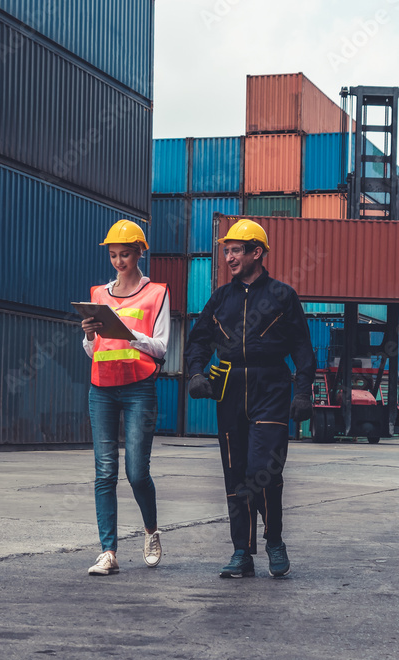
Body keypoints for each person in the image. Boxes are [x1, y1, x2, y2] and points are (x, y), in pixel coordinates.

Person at [184, 219, 315, 578]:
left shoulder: (282, 296)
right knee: (236, 474)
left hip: (271, 387)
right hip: (229, 389)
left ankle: (274, 541)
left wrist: (303, 392)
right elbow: (198, 341)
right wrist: (197, 372)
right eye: (226, 250)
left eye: (236, 250)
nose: (229, 257)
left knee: (263, 469)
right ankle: (241, 551)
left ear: (257, 252)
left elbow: (302, 347)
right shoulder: (220, 299)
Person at [81, 220, 170, 576]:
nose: (119, 262)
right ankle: (108, 552)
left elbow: (162, 348)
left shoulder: (157, 293)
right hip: (101, 387)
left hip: (139, 388)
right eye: (114, 255)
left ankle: (150, 531)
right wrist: (88, 336)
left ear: (139, 253)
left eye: (126, 255)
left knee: (136, 473)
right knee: (104, 473)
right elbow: (92, 352)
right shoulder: (98, 295)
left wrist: (130, 334)